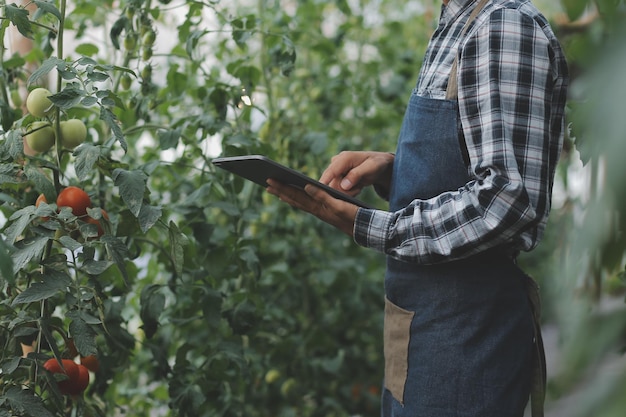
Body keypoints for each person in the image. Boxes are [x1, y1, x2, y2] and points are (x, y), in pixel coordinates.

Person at [267, 0, 568, 416]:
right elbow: (468, 166)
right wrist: (397, 173)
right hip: (421, 330)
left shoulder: (502, 25)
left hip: (467, 335)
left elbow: (506, 201)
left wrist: (371, 226)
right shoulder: (456, 24)